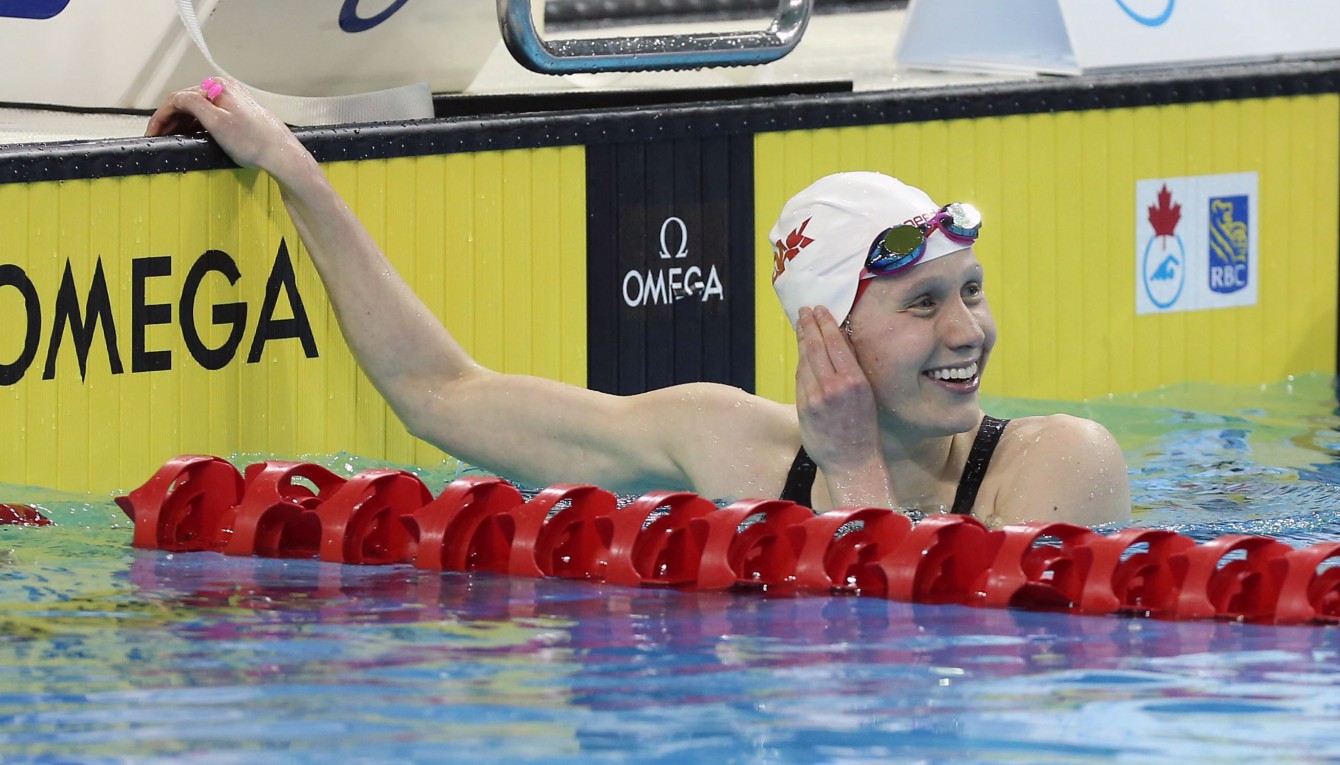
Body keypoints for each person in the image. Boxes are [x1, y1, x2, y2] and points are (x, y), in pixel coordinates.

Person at [147, 77, 1131, 528]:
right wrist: (293, 169)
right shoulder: (720, 444)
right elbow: (440, 394)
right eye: (921, 306)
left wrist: (857, 471)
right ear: (822, 330)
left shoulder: (1056, 466)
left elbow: (914, 678)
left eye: (968, 291)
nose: (967, 332)